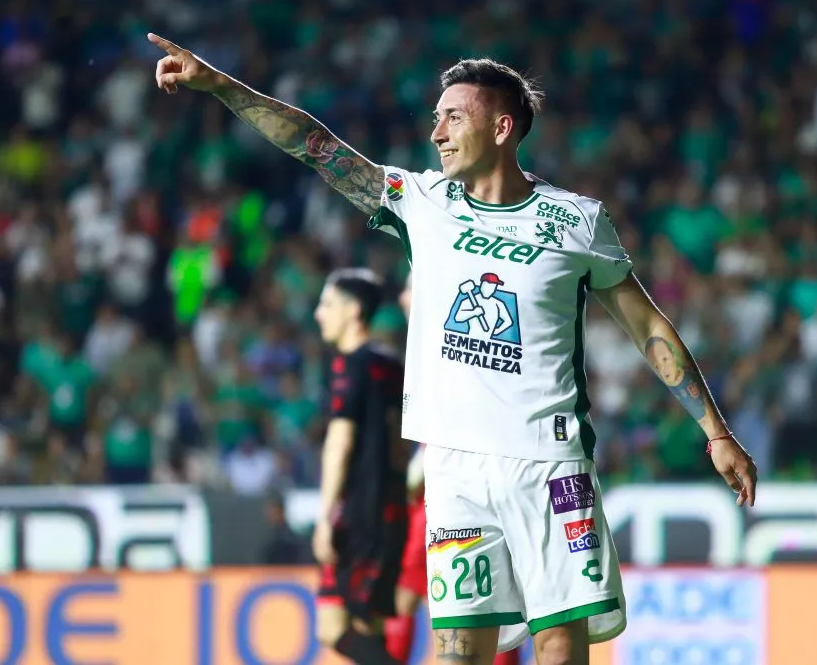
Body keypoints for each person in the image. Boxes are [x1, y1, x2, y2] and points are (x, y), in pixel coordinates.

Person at [150, 34, 758, 665]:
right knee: (456, 646)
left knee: (557, 641)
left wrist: (714, 432)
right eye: (434, 118)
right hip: (454, 467)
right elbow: (316, 145)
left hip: (548, 463)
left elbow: (648, 328)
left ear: (501, 127)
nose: (436, 132)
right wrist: (220, 84)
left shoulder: (575, 221)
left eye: (453, 117)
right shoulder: (422, 204)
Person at [384, 275, 521, 665]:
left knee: (481, 595)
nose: (402, 295)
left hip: (462, 480)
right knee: (421, 591)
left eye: (410, 286)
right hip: (438, 481)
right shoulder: (426, 339)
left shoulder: (455, 336)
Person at [310, 268, 412, 664]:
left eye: (327, 304)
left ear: (353, 311)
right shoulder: (391, 365)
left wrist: (325, 516)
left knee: (332, 627)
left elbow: (340, 442)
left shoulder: (350, 365)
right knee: (367, 627)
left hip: (358, 515)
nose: (319, 314)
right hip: (390, 511)